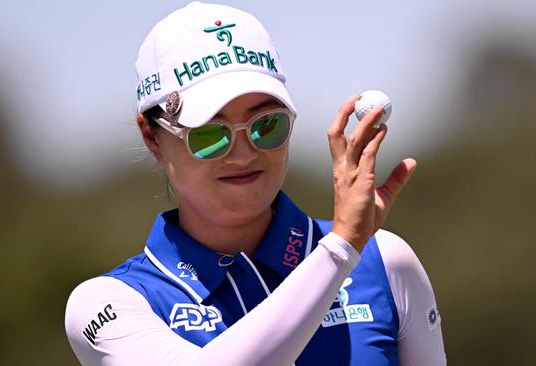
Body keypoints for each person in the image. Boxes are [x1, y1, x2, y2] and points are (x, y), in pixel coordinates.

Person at [65, 2, 446, 365]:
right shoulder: (108, 303)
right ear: (152, 138)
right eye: (209, 134)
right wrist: (340, 250)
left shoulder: (384, 263)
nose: (243, 154)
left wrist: (345, 246)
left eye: (267, 126)